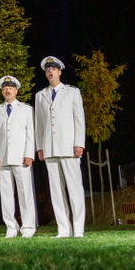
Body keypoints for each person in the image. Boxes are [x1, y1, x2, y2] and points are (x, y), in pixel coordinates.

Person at [35, 56, 86, 238]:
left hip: (69, 147)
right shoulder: (40, 96)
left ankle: (78, 229)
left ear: (59, 72)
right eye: (48, 70)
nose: (50, 72)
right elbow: (39, 124)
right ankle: (63, 229)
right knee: (56, 191)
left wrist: (79, 143)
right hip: (50, 149)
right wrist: (40, 147)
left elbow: (79, 119)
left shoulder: (72, 92)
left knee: (75, 189)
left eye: (53, 69)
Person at [0, 75, 36, 238]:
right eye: (5, 88)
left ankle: (28, 227)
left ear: (16, 91)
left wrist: (29, 154)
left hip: (21, 158)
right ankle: (11, 227)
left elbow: (30, 134)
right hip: (3, 158)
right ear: (2, 92)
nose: (7, 90)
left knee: (25, 194)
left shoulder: (26, 109)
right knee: (6, 195)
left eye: (10, 88)